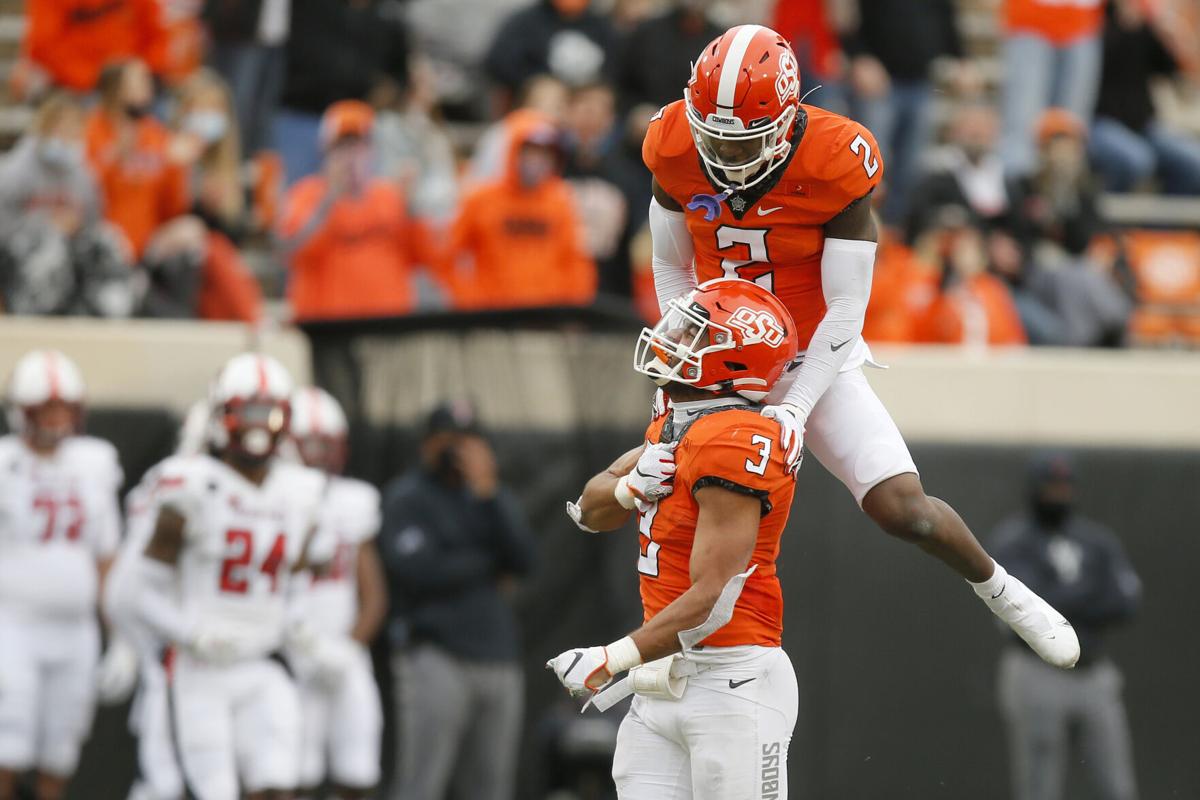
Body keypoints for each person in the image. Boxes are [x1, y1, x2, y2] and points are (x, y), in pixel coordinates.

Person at [643, 25, 1080, 669]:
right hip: (719, 358)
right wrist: (694, 355)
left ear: (787, 118)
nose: (724, 156)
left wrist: (795, 406)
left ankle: (1003, 590)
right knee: (665, 504)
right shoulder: (674, 141)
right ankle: (655, 657)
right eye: (714, 135)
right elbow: (670, 267)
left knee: (904, 509)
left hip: (810, 349)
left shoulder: (834, 157)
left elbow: (848, 305)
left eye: (743, 140)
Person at [550, 278, 802, 797]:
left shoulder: (734, 438)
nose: (675, 340)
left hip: (733, 683)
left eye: (695, 334)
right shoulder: (675, 418)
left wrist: (611, 658)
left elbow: (713, 600)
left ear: (736, 359)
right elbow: (589, 513)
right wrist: (626, 488)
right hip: (660, 682)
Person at [126, 353, 334, 800]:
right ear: (221, 415)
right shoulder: (190, 486)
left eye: (271, 411)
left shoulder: (301, 492)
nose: (260, 424)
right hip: (201, 666)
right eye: (249, 410)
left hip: (262, 662)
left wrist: (297, 624)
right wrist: (192, 632)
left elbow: (296, 576)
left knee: (279, 786)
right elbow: (138, 592)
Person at [380, 403, 537, 800]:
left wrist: (490, 493)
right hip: (436, 655)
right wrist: (488, 563)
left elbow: (525, 560)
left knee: (490, 788)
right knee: (422, 783)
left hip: (498, 658)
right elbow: (419, 572)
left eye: (467, 443)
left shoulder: (487, 497)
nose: (458, 453)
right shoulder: (407, 497)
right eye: (449, 442)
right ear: (429, 444)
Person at [0, 350, 123, 800]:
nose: (56, 420)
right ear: (21, 412)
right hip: (12, 625)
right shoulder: (4, 462)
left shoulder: (93, 461)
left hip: (76, 630)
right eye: (46, 409)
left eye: (63, 408)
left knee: (61, 752)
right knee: (6, 746)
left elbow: (106, 555)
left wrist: (121, 636)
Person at [989, 453, 1142, 800]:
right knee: (1039, 786)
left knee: (1117, 786)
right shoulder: (1013, 541)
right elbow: (1024, 609)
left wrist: (1060, 597)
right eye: (1050, 486)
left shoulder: (1096, 540)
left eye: (1064, 486)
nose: (1058, 494)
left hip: (1094, 672)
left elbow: (1125, 601)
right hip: (1035, 671)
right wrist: (1089, 592)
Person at [287, 387, 387, 800]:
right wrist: (302, 643)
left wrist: (349, 647)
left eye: (330, 444)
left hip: (346, 653)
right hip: (292, 654)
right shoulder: (273, 499)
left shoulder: (355, 500)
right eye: (312, 444)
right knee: (293, 773)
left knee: (358, 769)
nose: (323, 454)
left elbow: (373, 593)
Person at [279, 100, 438, 321]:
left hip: (386, 326)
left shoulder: (391, 196)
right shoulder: (306, 195)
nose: (351, 156)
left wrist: (413, 209)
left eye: (359, 145)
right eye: (343, 146)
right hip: (327, 329)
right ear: (326, 151)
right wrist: (329, 201)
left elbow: (425, 258)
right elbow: (290, 253)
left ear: (373, 151)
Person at [0, 92, 136, 318]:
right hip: (23, 250)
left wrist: (76, 226)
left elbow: (94, 219)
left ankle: (108, 313)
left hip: (70, 244)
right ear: (45, 129)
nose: (68, 138)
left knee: (109, 240)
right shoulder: (16, 168)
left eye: (74, 131)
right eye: (62, 130)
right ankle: (41, 317)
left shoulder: (83, 173)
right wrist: (43, 224)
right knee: (50, 245)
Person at [444, 112, 597, 308]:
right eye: (529, 152)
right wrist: (467, 298)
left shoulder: (561, 201)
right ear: (512, 151)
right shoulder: (481, 199)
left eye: (544, 154)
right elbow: (448, 256)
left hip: (546, 317)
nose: (536, 161)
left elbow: (576, 261)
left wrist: (573, 310)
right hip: (491, 317)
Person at [841, 0, 974, 224]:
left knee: (911, 168)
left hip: (920, 80)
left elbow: (943, 12)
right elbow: (847, 18)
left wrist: (962, 58)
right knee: (869, 165)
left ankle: (897, 232)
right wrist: (859, 56)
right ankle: (862, 229)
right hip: (879, 81)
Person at [275, 0, 410, 184]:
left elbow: (399, 74)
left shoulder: (388, 13)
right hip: (302, 113)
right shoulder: (310, 6)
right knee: (296, 193)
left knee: (352, 202)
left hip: (356, 126)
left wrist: (386, 93)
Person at [1089, 0, 1200, 195]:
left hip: (1144, 125)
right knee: (1137, 160)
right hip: (1101, 123)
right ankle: (1102, 222)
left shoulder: (1147, 26)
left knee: (1194, 163)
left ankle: (1162, 225)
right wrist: (1122, 24)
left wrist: (1170, 34)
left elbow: (1177, 73)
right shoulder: (1095, 19)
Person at [85, 59, 190, 261]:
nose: (148, 89)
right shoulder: (91, 131)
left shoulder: (154, 133)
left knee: (190, 234)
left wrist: (177, 168)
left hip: (148, 241)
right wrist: (113, 157)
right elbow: (83, 194)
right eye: (139, 82)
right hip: (102, 239)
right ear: (115, 88)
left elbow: (173, 208)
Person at [998, 0, 1106, 176]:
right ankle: (1017, 186)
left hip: (1083, 23)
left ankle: (1069, 189)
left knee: (1073, 125)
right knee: (1023, 119)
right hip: (1030, 20)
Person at [17, 0, 169, 97]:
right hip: (78, 90)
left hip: (132, 84)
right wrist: (95, 80)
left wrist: (144, 72)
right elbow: (44, 47)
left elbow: (156, 35)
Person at [205, 0, 292, 157]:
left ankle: (249, 167)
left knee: (261, 116)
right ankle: (222, 164)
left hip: (277, 35)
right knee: (234, 108)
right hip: (240, 34)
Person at [484, 0, 616, 98]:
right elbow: (498, 63)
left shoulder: (602, 25)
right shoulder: (524, 22)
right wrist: (535, 82)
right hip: (539, 102)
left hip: (589, 97)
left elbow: (617, 70)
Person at [614, 0, 720, 112]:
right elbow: (621, 83)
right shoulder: (648, 32)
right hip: (648, 117)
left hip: (700, 120)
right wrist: (636, 110)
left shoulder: (720, 40)